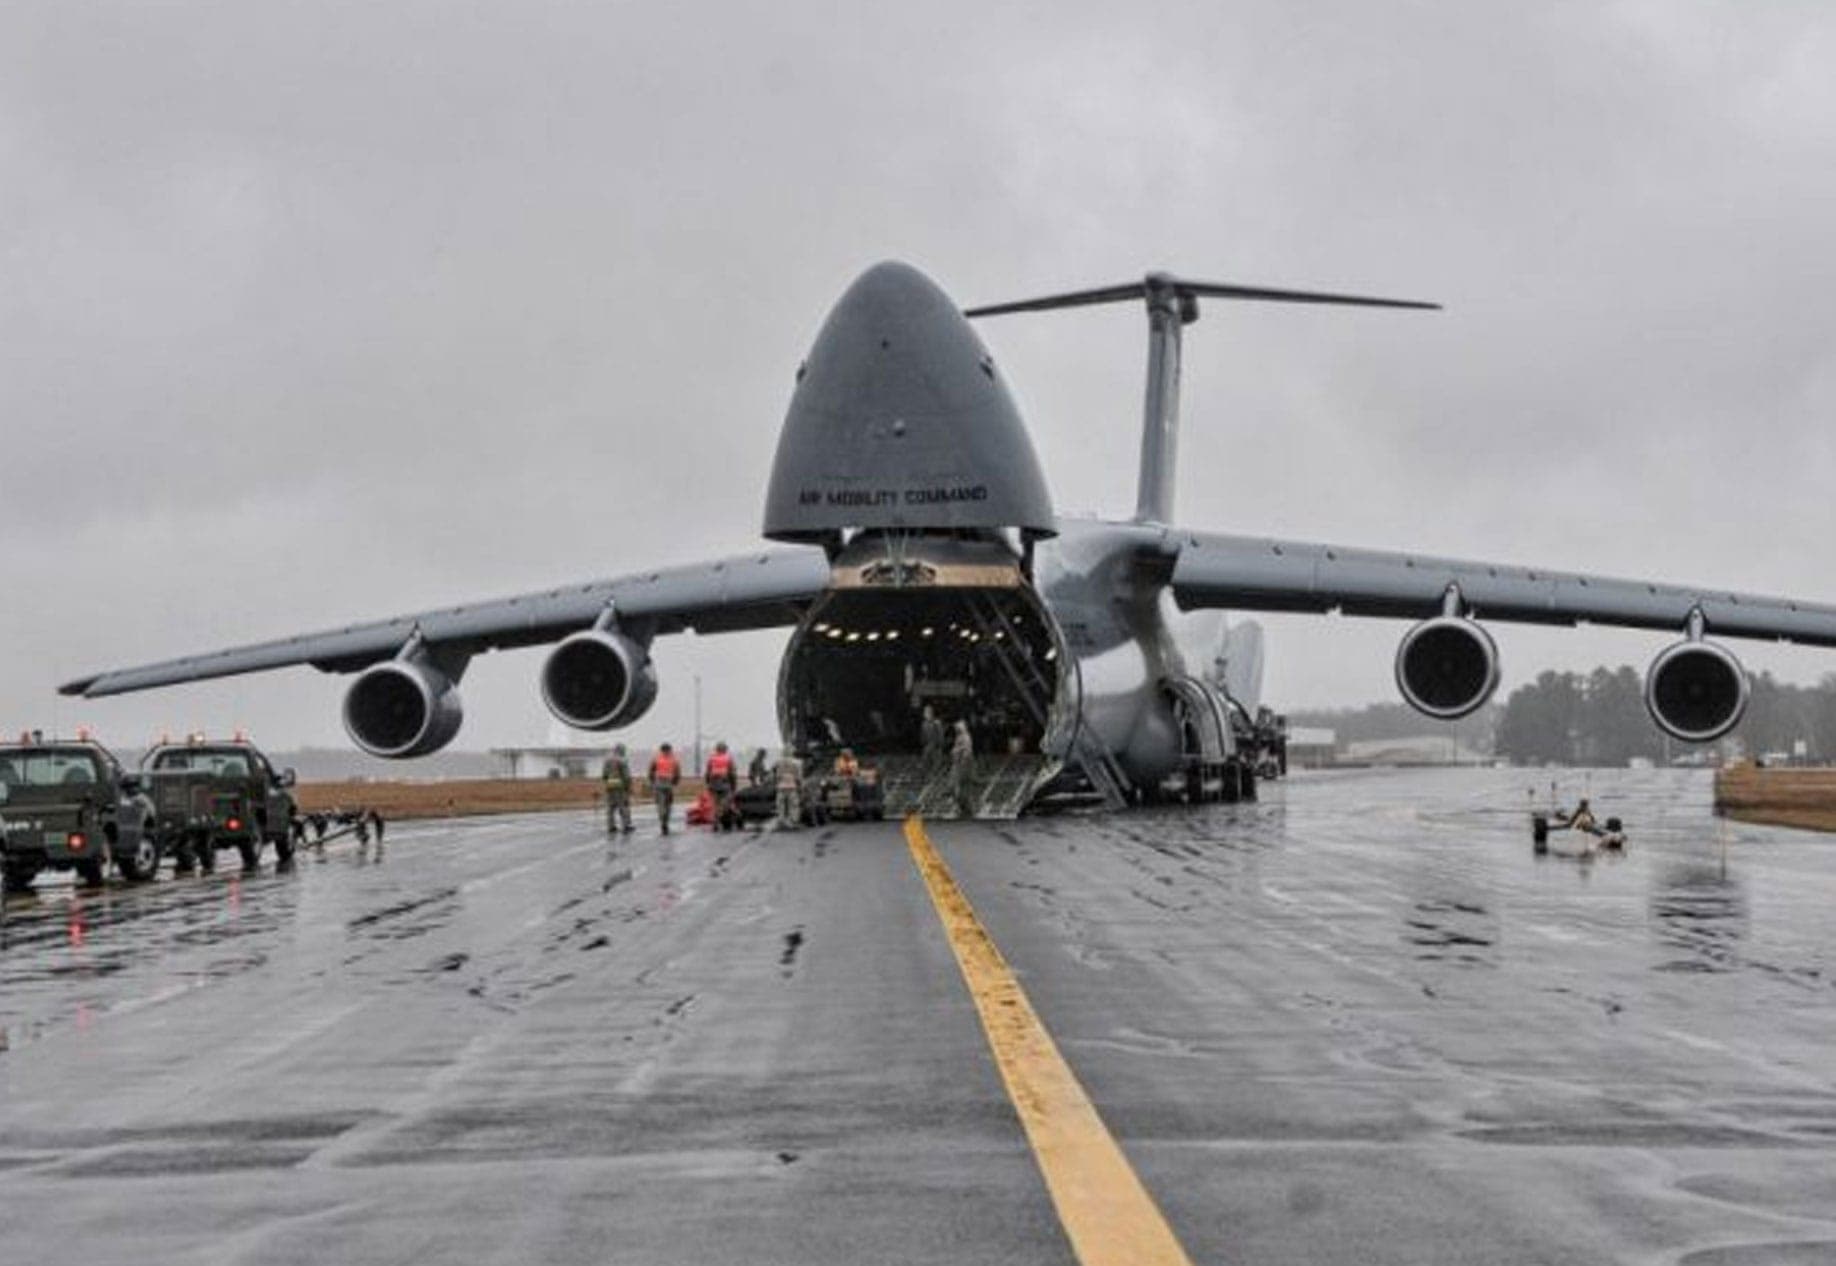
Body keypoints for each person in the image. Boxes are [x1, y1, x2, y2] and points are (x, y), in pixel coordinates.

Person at [649, 743, 682, 835]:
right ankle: (666, 820)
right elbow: (677, 773)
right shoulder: (674, 760)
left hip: (659, 784)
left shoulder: (656, 759)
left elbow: (651, 772)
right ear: (670, 750)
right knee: (668, 804)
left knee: (660, 804)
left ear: (661, 750)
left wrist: (652, 782)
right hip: (669, 784)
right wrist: (675, 783)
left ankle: (662, 819)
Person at [601, 743, 633, 835]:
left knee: (611, 807)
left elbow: (604, 774)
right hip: (620, 786)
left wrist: (607, 783)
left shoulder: (607, 760)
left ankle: (611, 826)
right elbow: (626, 776)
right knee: (623, 806)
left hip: (610, 785)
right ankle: (625, 825)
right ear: (621, 750)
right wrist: (628, 787)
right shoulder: (622, 760)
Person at [705, 742, 737, 829]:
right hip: (724, 783)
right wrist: (734, 786)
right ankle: (721, 815)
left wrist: (708, 784)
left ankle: (715, 821)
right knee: (726, 801)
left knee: (715, 803)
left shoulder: (711, 758)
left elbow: (707, 773)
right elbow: (732, 774)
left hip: (713, 783)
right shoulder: (728, 758)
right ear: (725, 749)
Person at [774, 750, 805, 829]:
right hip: (792, 786)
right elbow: (799, 776)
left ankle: (781, 821)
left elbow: (777, 776)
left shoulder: (778, 762)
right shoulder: (797, 762)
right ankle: (793, 821)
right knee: (793, 805)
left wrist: (777, 784)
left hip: (781, 787)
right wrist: (801, 786)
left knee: (780, 806)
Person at [950, 719, 975, 818]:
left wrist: (958, 752)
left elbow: (967, 751)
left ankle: (966, 810)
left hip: (963, 766)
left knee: (962, 789)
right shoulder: (960, 737)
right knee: (958, 789)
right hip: (958, 765)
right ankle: (964, 809)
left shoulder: (965, 737)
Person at [920, 705, 946, 774]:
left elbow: (940, 735)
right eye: (925, 712)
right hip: (928, 745)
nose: (925, 714)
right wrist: (924, 743)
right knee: (926, 760)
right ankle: (927, 772)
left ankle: (936, 772)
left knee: (936, 762)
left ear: (931, 713)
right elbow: (923, 735)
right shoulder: (924, 724)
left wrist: (940, 744)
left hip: (936, 745)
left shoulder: (937, 723)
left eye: (927, 712)